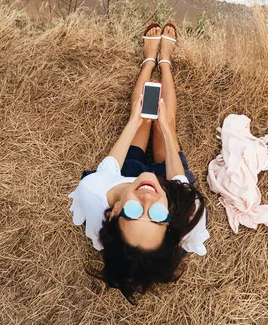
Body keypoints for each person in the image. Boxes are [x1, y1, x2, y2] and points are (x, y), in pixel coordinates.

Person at [68, 23, 209, 303]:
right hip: (168, 186)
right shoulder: (187, 210)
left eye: (133, 211)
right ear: (171, 222)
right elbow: (178, 181)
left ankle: (148, 61)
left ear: (115, 211)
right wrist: (167, 130)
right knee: (163, 123)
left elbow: (110, 166)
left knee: (142, 117)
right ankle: (165, 61)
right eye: (156, 216)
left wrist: (135, 121)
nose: (145, 200)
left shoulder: (95, 192)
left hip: (123, 180)